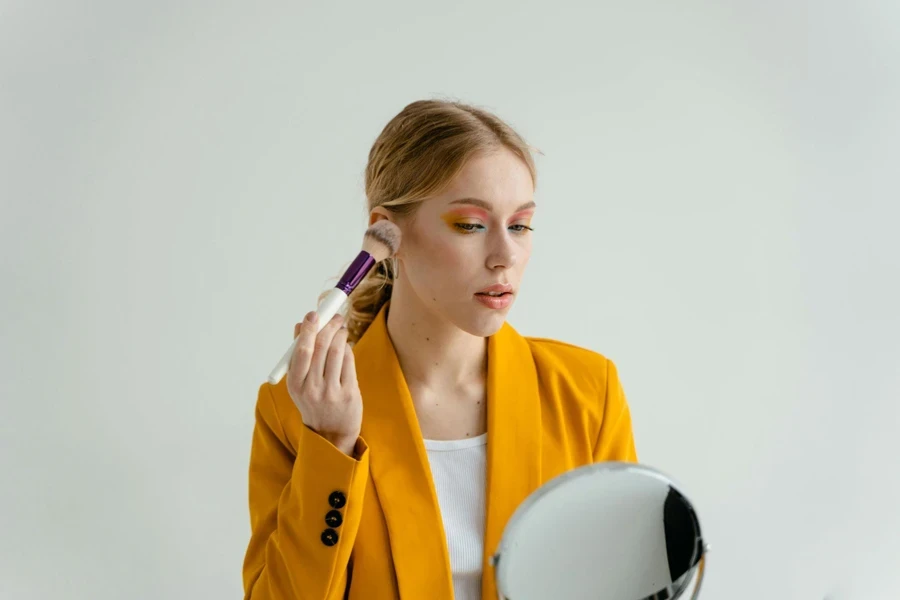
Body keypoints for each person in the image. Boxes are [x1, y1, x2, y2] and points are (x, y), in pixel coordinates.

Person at [242, 99, 638, 600]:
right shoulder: (293, 411)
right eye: (471, 225)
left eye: (520, 225)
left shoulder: (586, 392)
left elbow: (627, 580)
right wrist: (331, 447)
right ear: (388, 233)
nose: (505, 256)